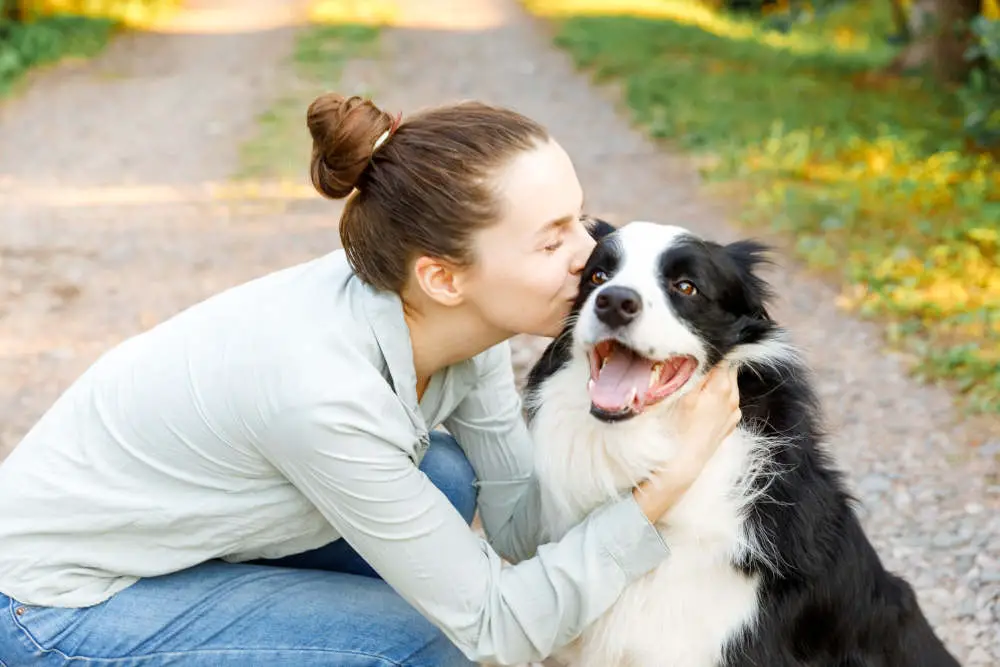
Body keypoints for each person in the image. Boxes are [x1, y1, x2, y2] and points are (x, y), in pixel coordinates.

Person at [0, 93, 742, 666]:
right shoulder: (321, 393)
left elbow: (517, 523)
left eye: (580, 221)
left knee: (448, 481)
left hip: (168, 534)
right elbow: (496, 629)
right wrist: (667, 483)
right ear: (444, 277)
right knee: (428, 645)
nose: (591, 255)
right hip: (48, 605)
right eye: (553, 240)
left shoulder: (457, 316)